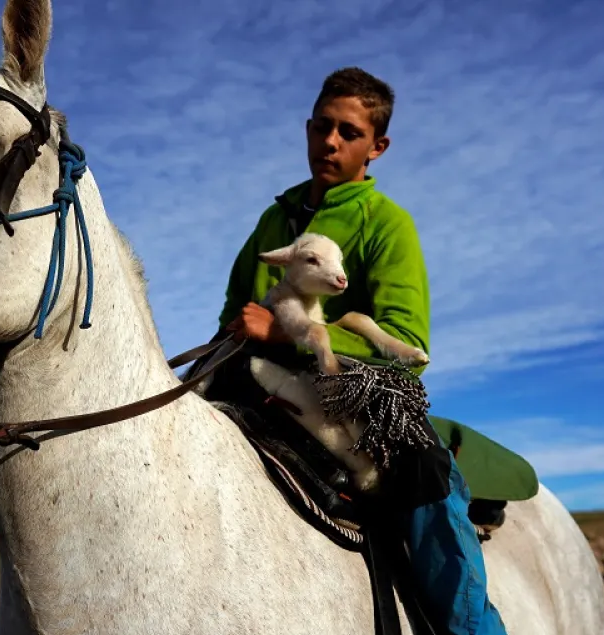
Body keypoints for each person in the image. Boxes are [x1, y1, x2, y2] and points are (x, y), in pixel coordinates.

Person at [217, 67, 508, 635]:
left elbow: (410, 342)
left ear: (377, 147)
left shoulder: (388, 224)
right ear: (306, 128)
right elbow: (235, 312)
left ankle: (470, 629)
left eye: (348, 132)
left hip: (360, 397)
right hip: (258, 382)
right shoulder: (271, 222)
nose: (330, 141)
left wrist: (281, 335)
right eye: (322, 127)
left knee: (425, 470)